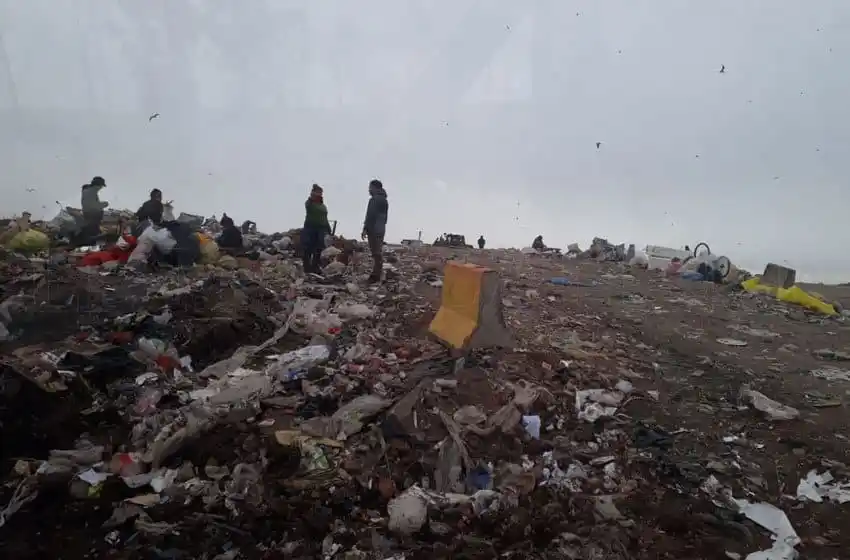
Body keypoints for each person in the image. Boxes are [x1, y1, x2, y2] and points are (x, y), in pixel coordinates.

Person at [361, 179, 389, 283]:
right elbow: (384, 218)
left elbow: (370, 215)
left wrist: (365, 229)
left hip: (373, 228)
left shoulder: (374, 199)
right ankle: (377, 274)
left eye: (370, 187)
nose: (369, 189)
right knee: (378, 252)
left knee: (376, 253)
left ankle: (375, 276)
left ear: (375, 188)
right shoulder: (384, 200)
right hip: (381, 228)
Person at [303, 184, 331, 274]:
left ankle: (315, 267)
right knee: (308, 248)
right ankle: (307, 268)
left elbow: (325, 218)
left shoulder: (323, 206)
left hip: (321, 229)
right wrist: (312, 195)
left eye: (321, 192)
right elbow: (308, 204)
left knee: (318, 248)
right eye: (318, 192)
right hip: (310, 228)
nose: (320, 194)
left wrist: (328, 229)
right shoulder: (310, 203)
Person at [80, 176, 108, 243]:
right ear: (97, 185)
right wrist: (104, 204)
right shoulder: (90, 192)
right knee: (93, 237)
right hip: (91, 218)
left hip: (91, 218)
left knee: (95, 235)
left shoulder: (89, 191)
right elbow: (92, 205)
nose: (101, 188)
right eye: (101, 186)